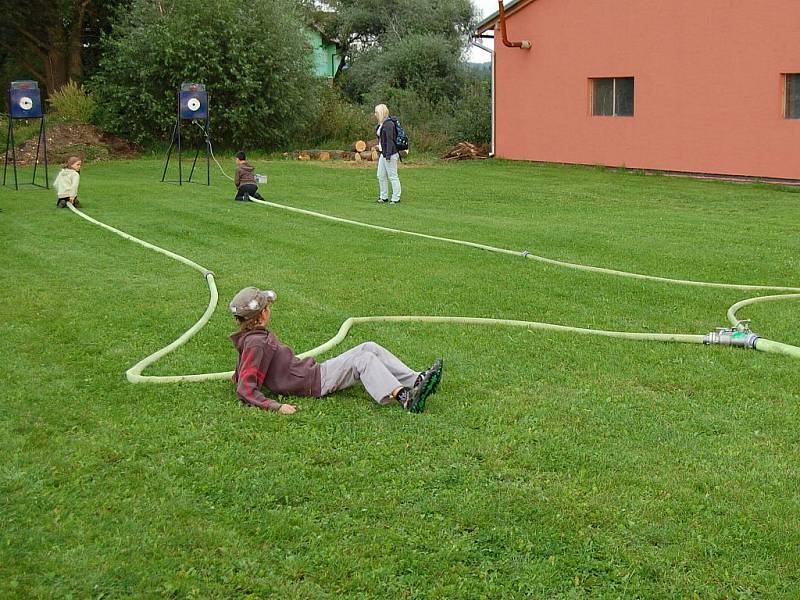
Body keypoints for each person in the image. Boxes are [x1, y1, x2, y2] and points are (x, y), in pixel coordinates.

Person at [229, 287, 443, 414]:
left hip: (311, 372)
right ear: (263, 314)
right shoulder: (256, 343)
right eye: (268, 306)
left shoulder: (253, 339)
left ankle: (415, 379)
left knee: (369, 346)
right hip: (312, 382)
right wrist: (276, 407)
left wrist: (238, 375)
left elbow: (244, 370)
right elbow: (246, 389)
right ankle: (406, 398)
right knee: (365, 360)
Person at [374, 104, 401, 204]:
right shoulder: (381, 123)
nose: (375, 114)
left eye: (376, 112)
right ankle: (383, 196)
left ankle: (396, 197)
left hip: (390, 153)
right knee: (380, 175)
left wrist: (388, 155)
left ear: (381, 112)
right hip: (383, 153)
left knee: (392, 175)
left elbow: (390, 141)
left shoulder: (389, 124)